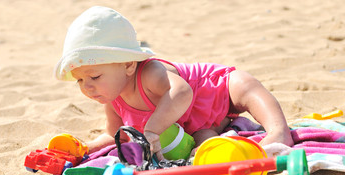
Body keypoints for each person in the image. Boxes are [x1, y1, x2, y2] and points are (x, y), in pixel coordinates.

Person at [54, 6, 294, 160]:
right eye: (80, 81)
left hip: (213, 90)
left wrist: (151, 129)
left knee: (245, 84)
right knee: (203, 145)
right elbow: (117, 134)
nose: (87, 87)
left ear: (128, 65)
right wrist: (87, 148)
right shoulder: (113, 98)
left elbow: (182, 93)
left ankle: (279, 131)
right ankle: (216, 149)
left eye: (94, 77)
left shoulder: (149, 73)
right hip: (193, 124)